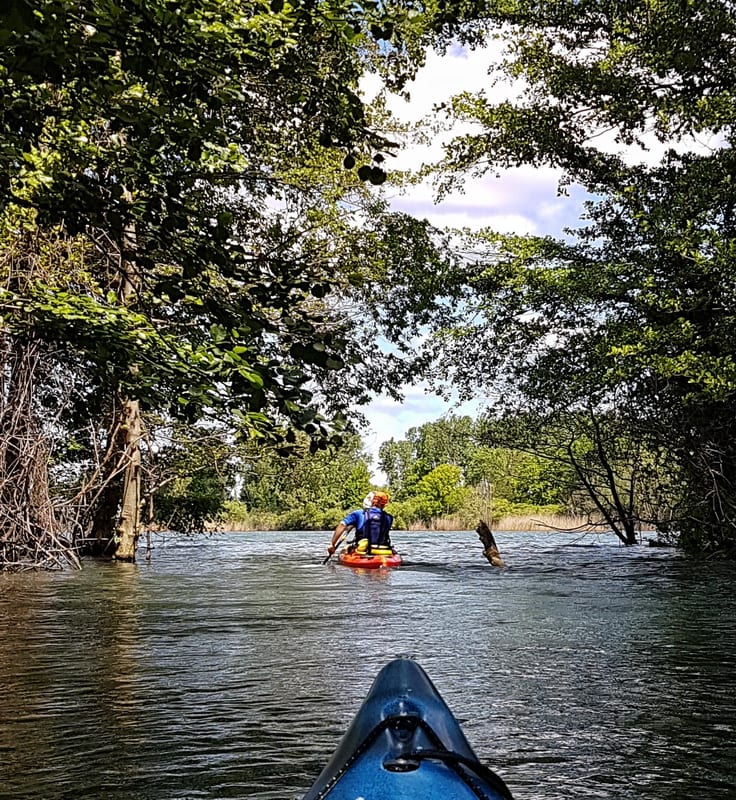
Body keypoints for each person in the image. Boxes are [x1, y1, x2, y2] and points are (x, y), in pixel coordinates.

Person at [327, 491, 393, 557]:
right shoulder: (389, 517)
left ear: (372, 501)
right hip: (383, 550)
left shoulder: (359, 514)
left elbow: (342, 525)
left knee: (345, 549)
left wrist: (332, 544)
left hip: (362, 551)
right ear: (384, 505)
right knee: (392, 550)